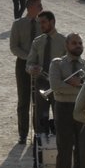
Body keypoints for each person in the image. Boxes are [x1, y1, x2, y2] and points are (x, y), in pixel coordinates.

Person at [48, 33, 85, 168]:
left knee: (81, 151)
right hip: (63, 108)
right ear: (67, 45)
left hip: (82, 110)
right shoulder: (57, 63)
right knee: (64, 151)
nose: (78, 45)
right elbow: (55, 86)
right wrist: (80, 87)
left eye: (80, 43)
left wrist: (76, 85)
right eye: (74, 43)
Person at [26, 9, 65, 139]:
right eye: (39, 23)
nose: (41, 25)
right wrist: (32, 68)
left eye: (43, 22)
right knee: (40, 115)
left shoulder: (64, 41)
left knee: (59, 114)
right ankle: (40, 141)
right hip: (41, 82)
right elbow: (29, 63)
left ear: (52, 22)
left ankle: (59, 139)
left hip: (58, 83)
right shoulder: (37, 42)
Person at [8, 0, 41, 145]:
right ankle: (23, 133)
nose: (41, 8)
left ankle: (39, 132)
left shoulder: (43, 23)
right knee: (23, 100)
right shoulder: (18, 24)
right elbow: (14, 46)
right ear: (30, 7)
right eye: (38, 5)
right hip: (23, 64)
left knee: (39, 100)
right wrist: (29, 57)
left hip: (40, 66)